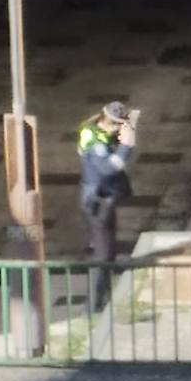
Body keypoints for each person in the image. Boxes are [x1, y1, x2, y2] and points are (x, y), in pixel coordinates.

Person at [77, 101, 138, 311]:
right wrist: (126, 146)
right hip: (97, 202)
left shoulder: (101, 133)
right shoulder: (94, 140)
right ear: (112, 123)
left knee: (109, 251)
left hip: (106, 199)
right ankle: (92, 307)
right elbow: (108, 169)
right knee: (102, 254)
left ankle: (104, 298)